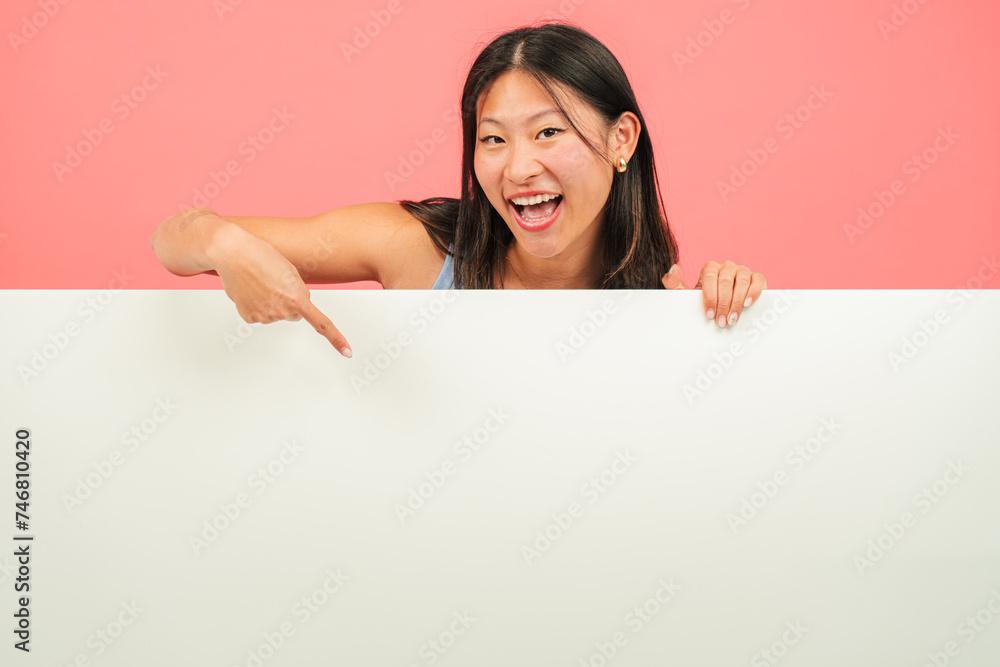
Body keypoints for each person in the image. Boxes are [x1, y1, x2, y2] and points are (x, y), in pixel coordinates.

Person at [151, 22, 767, 360]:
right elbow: (173, 240)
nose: (518, 168)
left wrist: (721, 320)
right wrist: (225, 245)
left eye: (548, 132)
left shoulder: (663, 303)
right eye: (493, 139)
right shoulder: (418, 250)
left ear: (621, 139)